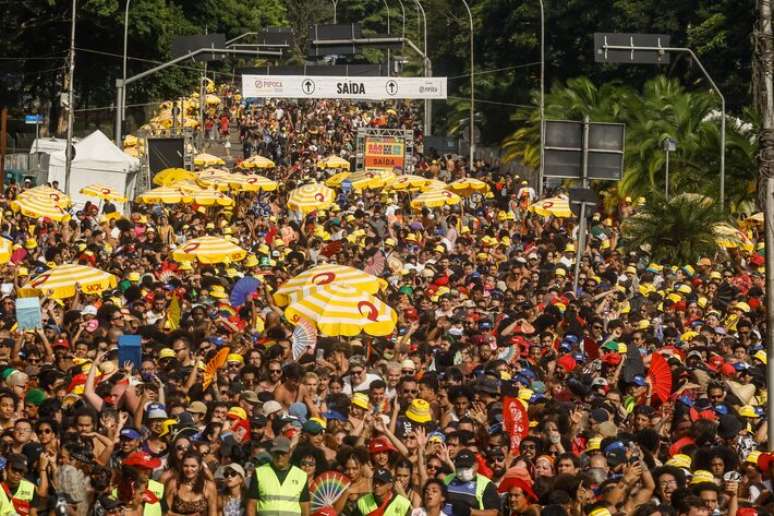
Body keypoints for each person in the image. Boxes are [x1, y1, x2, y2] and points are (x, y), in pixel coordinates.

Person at [246, 436, 309, 516]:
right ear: (272, 453)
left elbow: (305, 506)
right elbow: (252, 504)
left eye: (283, 453)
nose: (280, 456)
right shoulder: (259, 472)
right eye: (277, 453)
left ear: (290, 453)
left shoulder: (301, 475)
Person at [443, 449, 500, 516]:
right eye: (460, 467)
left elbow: (494, 512)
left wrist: (471, 512)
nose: (463, 470)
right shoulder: (448, 479)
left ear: (476, 466)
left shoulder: (486, 484)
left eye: (467, 467)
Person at [164, 451, 217, 516]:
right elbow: (165, 512)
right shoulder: (173, 484)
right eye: (185, 466)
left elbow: (213, 513)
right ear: (181, 466)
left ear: (200, 467)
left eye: (193, 466)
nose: (189, 469)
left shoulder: (209, 486)